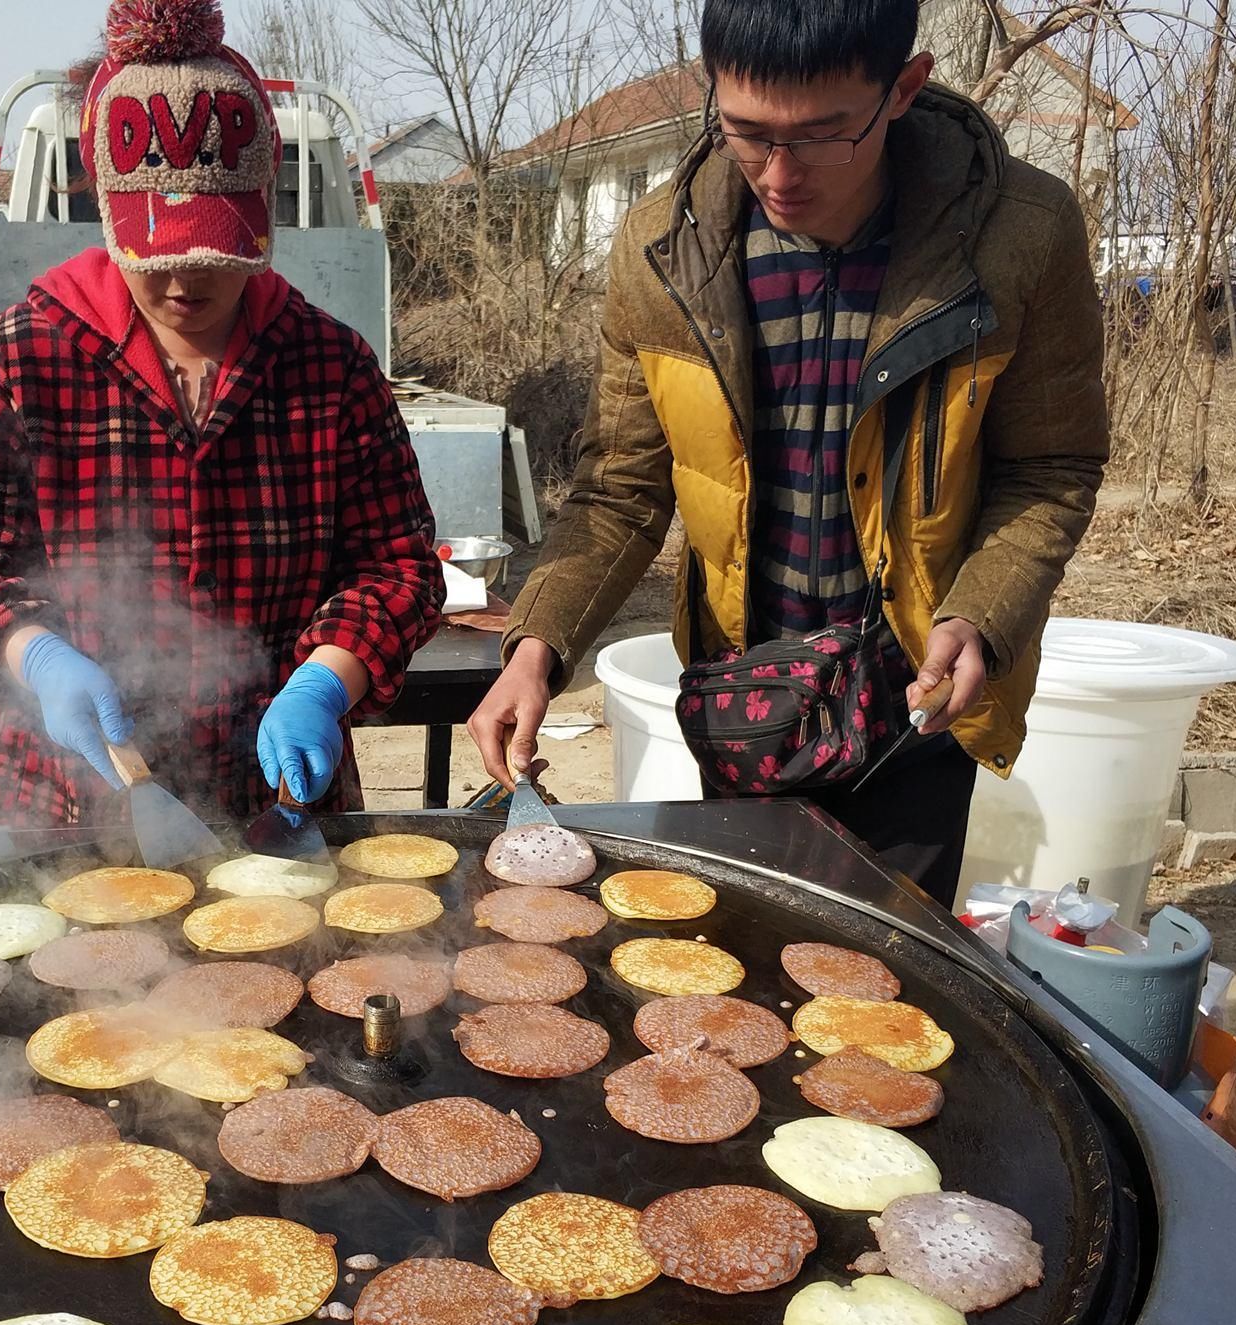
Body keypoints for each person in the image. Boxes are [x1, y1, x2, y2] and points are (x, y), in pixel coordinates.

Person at [468, 0, 1107, 906]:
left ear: (903, 89)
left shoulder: (1020, 236)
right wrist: (537, 646)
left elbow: (1051, 469)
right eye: (744, 132)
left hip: (913, 702)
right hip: (745, 700)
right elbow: (618, 486)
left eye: (820, 136)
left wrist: (983, 614)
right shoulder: (663, 249)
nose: (779, 172)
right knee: (743, 975)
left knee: (889, 981)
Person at [0, 0, 441, 829]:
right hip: (70, 797)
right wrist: (35, 654)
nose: (186, 285)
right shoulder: (27, 355)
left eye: (216, 257)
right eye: (160, 260)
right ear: (113, 219)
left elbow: (399, 566)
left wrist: (325, 681)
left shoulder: (328, 367)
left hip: (276, 791)